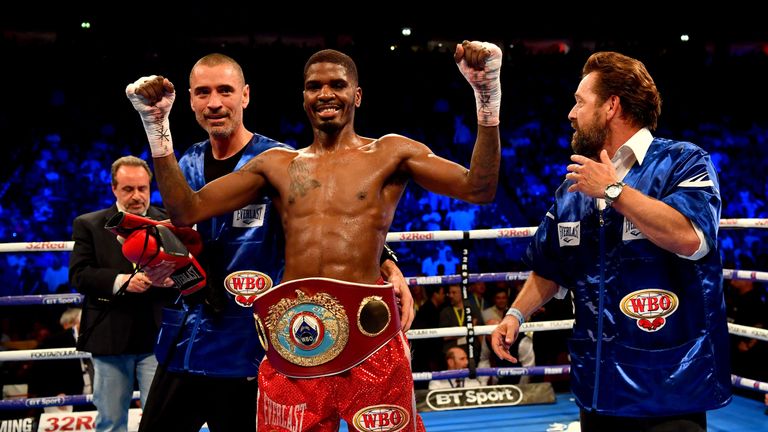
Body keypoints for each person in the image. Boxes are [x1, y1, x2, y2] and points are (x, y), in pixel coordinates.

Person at [127, 40, 501, 431]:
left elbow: (479, 188)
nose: (325, 93)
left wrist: (486, 96)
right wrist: (157, 127)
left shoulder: (391, 152)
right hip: (293, 334)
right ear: (303, 96)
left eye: (336, 85)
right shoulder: (275, 165)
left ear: (356, 95)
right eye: (313, 86)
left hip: (369, 333)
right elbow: (187, 211)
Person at [491, 51, 731, 432]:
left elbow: (692, 237)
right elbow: (550, 267)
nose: (571, 113)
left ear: (611, 106)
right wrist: (515, 314)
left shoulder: (683, 162)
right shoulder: (575, 187)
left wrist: (615, 191)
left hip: (670, 389)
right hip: (599, 389)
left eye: (580, 101)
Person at [69, 156, 177, 432]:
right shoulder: (90, 224)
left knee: (162, 420)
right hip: (110, 336)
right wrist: (121, 281)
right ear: (114, 189)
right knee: (111, 422)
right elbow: (79, 275)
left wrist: (170, 280)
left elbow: (189, 268)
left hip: (158, 336)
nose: (137, 196)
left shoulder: (168, 222)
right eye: (128, 189)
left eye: (142, 188)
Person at [27, 307, 92, 412]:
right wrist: (55, 392)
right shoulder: (55, 342)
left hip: (97, 394)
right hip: (71, 398)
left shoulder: (101, 337)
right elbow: (42, 371)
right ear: (78, 323)